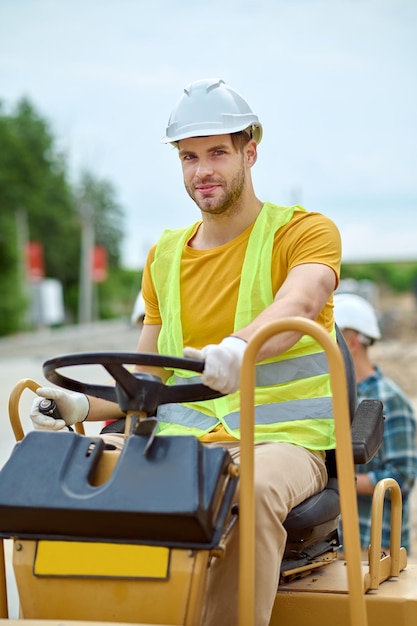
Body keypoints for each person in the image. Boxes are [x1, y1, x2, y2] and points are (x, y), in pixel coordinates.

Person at [30, 78, 342, 626]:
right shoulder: (164, 255)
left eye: (218, 152)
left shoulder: (303, 232)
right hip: (182, 444)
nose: (203, 171)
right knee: (48, 476)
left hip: (280, 444)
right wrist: (84, 405)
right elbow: (144, 375)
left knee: (250, 488)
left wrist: (240, 349)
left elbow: (302, 299)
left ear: (251, 152)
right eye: (189, 156)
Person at [334, 292, 417, 554]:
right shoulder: (333, 396)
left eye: (331, 339)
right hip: (339, 546)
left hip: (378, 548)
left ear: (352, 341)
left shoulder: (390, 400)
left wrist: (338, 482)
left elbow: (401, 477)